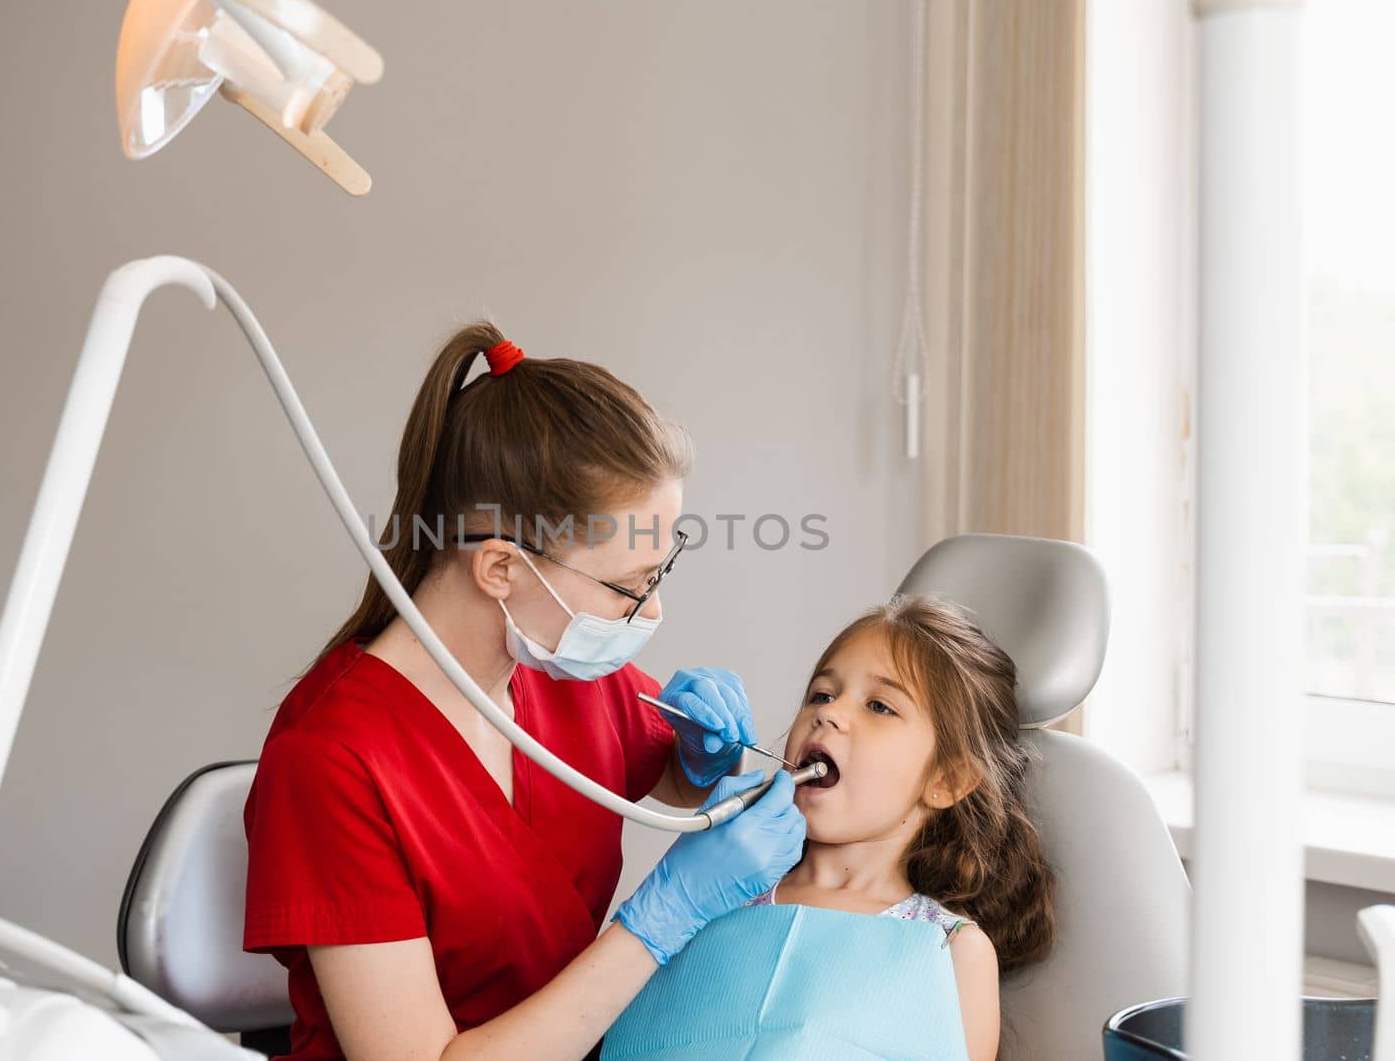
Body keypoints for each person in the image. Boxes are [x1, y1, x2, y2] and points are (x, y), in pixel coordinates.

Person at [242, 322, 806, 1061]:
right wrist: (659, 920)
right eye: (628, 586)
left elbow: (654, 771)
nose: (653, 614)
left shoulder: (560, 669)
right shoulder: (332, 761)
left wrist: (698, 762)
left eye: (659, 574)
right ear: (501, 568)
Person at [604, 594, 1058, 1061]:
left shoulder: (951, 949)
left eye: (880, 706)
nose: (829, 712)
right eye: (821, 694)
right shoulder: (712, 888)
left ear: (947, 780)